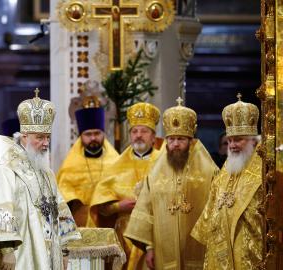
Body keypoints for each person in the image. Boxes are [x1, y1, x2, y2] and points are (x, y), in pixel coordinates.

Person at [0, 89, 80, 270]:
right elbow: (0, 207)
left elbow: (59, 210)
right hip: (21, 252)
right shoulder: (6, 168)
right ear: (24, 136)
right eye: (39, 137)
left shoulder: (46, 172)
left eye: (47, 137)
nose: (46, 143)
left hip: (49, 250)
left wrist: (63, 250)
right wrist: (7, 250)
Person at [124, 97, 219, 269]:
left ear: (191, 141)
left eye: (181, 139)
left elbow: (217, 213)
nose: (175, 144)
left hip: (200, 248)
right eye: (171, 139)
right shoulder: (155, 173)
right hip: (162, 249)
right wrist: (149, 247)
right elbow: (146, 209)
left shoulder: (209, 171)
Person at [191, 94, 264, 269]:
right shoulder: (224, 173)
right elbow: (209, 216)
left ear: (254, 141)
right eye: (230, 140)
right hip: (220, 254)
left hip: (251, 257)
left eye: (238, 139)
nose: (232, 145)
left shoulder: (265, 174)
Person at [90, 102, 162, 270]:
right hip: (125, 236)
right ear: (129, 135)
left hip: (157, 234)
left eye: (144, 131)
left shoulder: (164, 162)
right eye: (134, 131)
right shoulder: (115, 164)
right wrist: (118, 206)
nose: (139, 135)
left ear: (153, 136)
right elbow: (100, 206)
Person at [57, 97, 119, 227]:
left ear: (103, 134)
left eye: (97, 133)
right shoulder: (70, 166)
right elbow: (62, 198)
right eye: (88, 134)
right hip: (80, 224)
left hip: (108, 223)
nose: (93, 138)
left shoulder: (115, 162)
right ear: (81, 136)